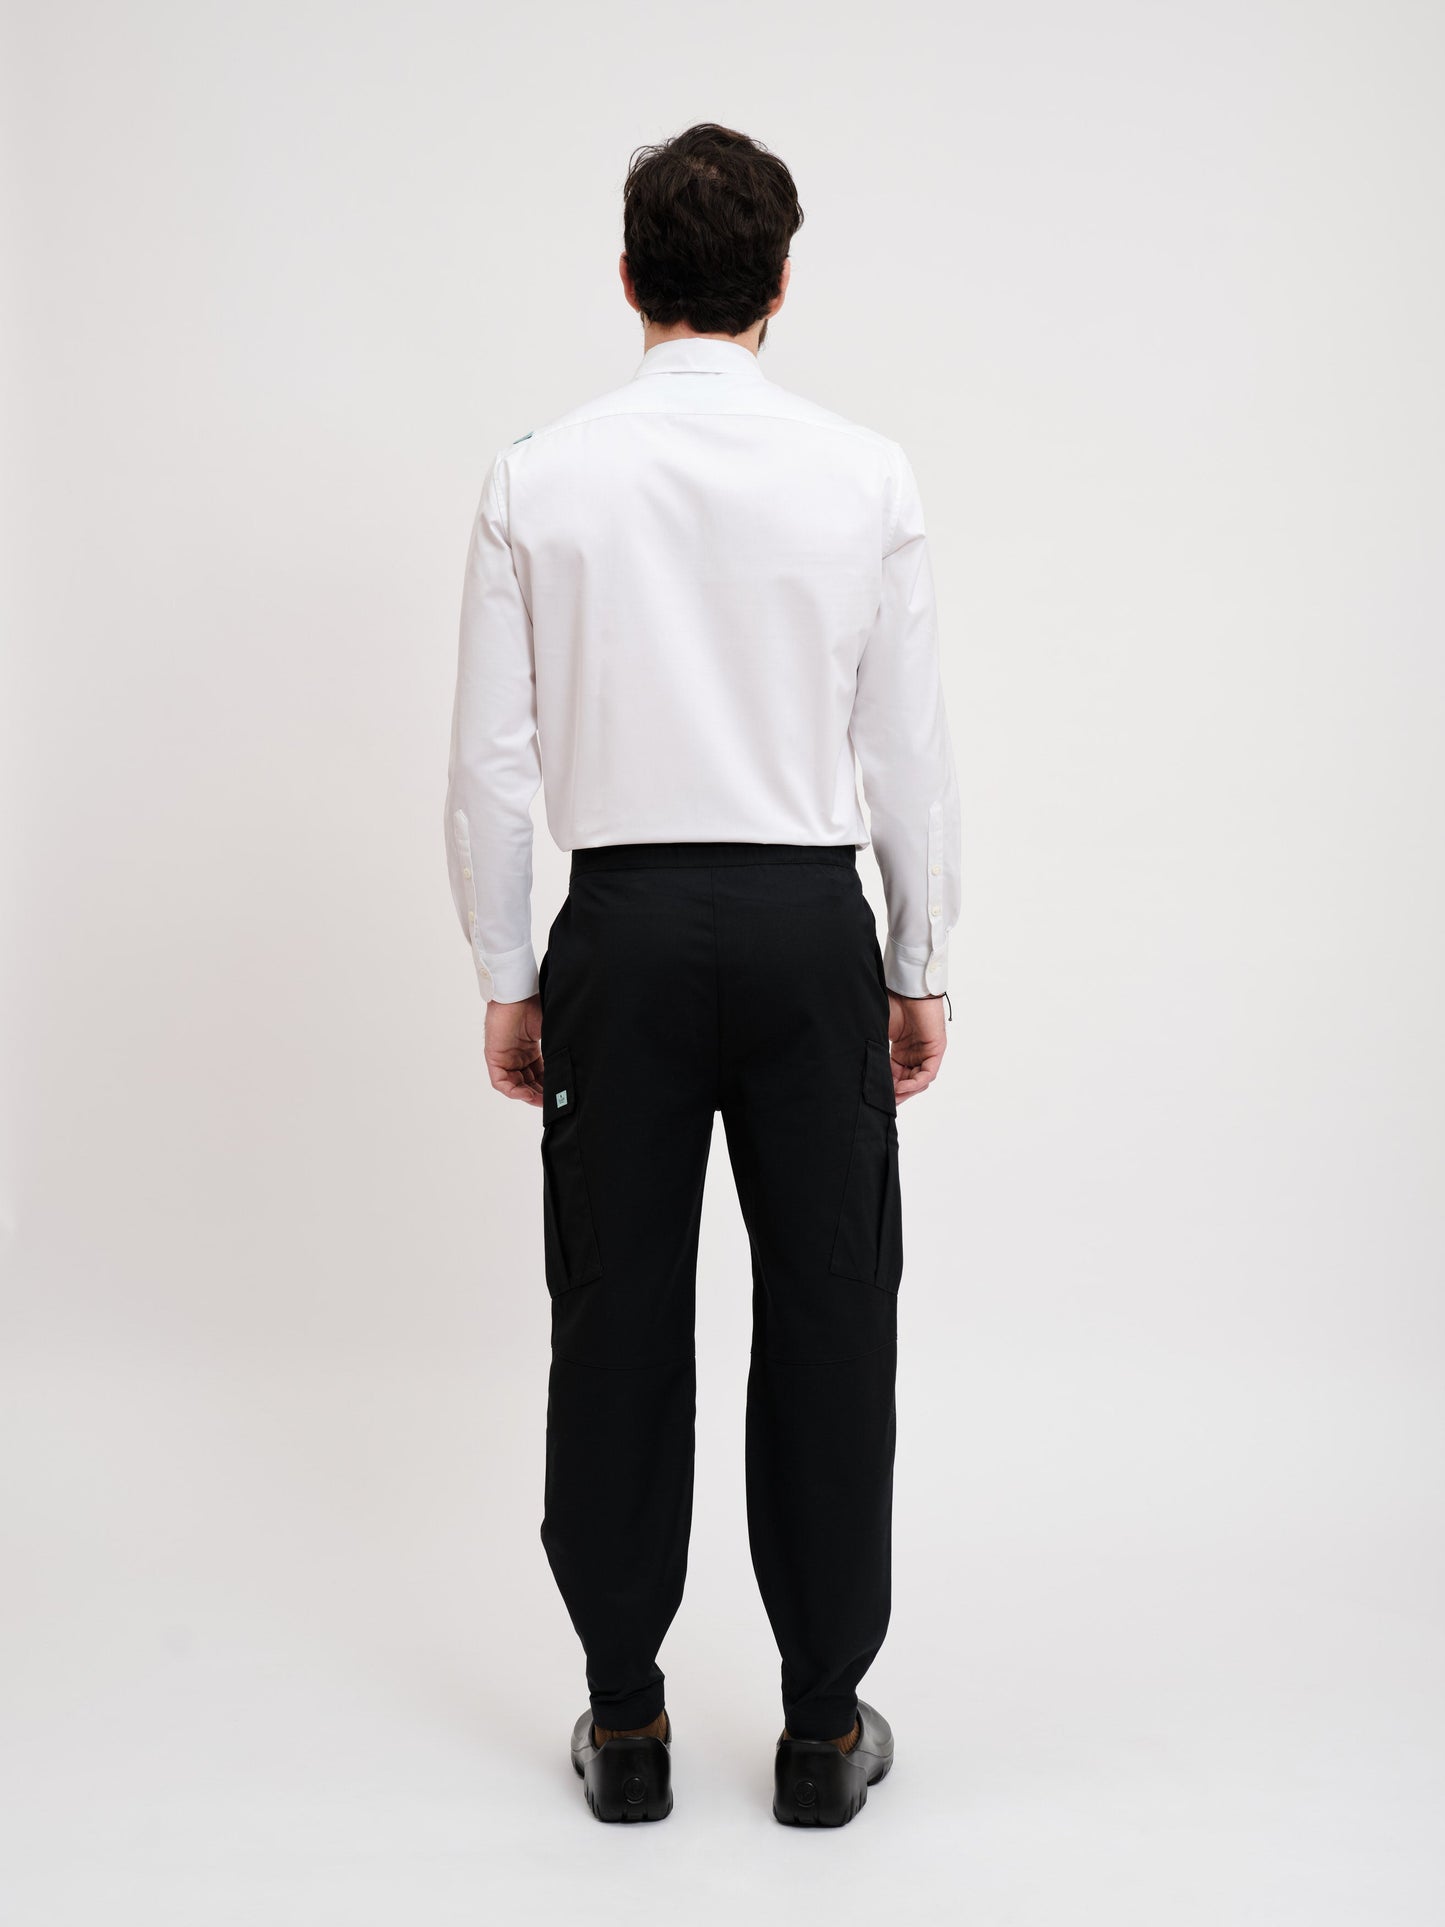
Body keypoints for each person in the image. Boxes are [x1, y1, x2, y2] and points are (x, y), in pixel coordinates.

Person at [443, 122, 959, 1829]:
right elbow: (907, 753)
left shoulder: (538, 478)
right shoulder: (863, 475)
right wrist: (918, 957)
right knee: (830, 1316)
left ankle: (626, 1723)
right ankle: (818, 1730)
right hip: (810, 930)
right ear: (780, 284)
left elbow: (491, 766)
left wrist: (508, 970)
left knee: (613, 1317)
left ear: (626, 280)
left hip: (625, 932)